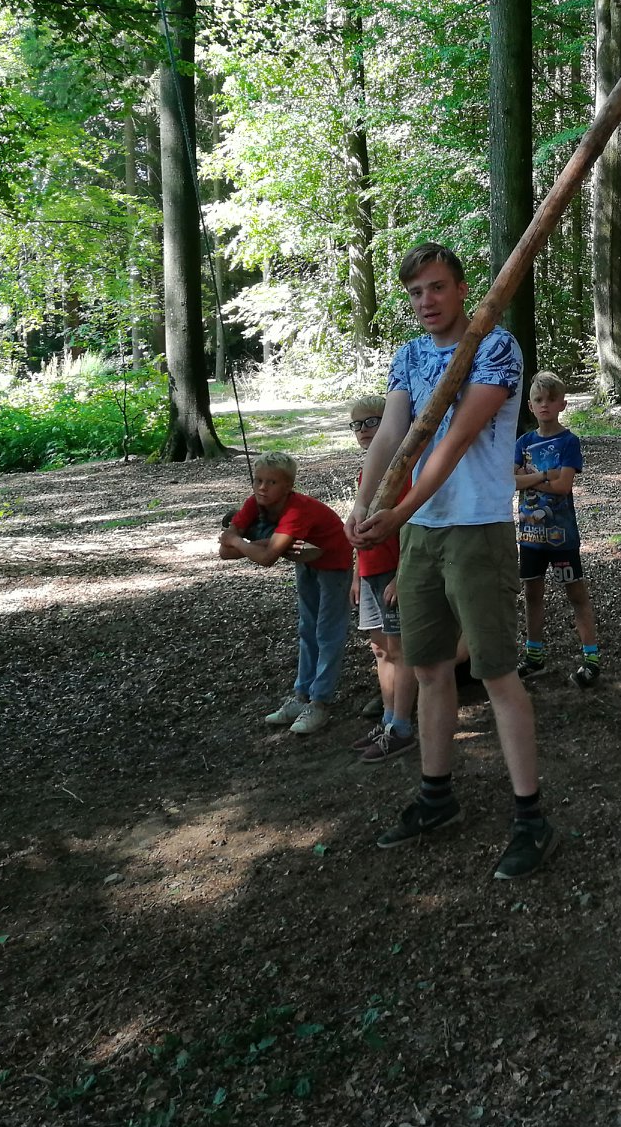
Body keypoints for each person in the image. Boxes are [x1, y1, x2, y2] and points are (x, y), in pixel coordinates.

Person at [349, 242, 558, 881]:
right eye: (415, 292)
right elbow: (393, 435)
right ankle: (436, 798)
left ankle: (531, 818)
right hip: (422, 537)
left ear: (462, 289)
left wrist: (400, 511)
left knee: (496, 672)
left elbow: (460, 436)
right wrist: (361, 508)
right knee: (431, 668)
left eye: (437, 288)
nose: (426, 302)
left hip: (477, 530)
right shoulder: (409, 356)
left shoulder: (496, 346)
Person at [219, 451, 354, 737]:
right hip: (306, 561)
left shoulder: (297, 510)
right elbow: (224, 551)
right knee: (307, 628)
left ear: (288, 486)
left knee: (328, 632)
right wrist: (254, 544)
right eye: (258, 480)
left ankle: (320, 701)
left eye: (272, 482)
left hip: (333, 565)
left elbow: (265, 558)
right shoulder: (254, 504)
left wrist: (242, 542)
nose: (262, 488)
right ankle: (302, 695)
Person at [514, 371, 603, 690]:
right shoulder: (523, 442)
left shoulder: (569, 441)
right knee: (532, 595)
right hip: (529, 538)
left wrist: (534, 475)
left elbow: (564, 486)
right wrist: (545, 476)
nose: (545, 405)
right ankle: (534, 655)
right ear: (530, 405)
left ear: (562, 404)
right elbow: (512, 481)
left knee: (576, 594)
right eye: (539, 400)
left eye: (551, 399)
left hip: (562, 538)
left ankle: (591, 659)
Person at [346, 395, 417, 764]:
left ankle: (402, 726)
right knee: (381, 650)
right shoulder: (366, 475)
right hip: (371, 571)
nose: (362, 431)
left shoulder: (404, 471)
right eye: (355, 425)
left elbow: (413, 527)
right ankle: (389, 718)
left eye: (370, 422)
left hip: (394, 572)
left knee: (401, 650)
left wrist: (402, 576)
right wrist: (358, 574)